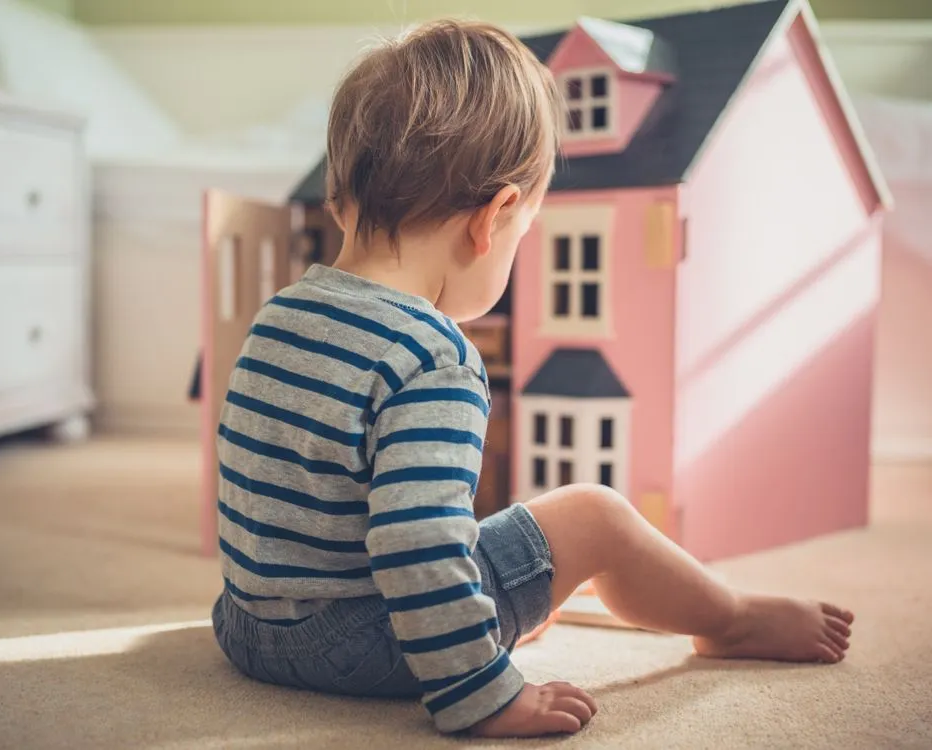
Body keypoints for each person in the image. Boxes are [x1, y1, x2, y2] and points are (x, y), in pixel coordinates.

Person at [210, 19, 854, 738]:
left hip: (246, 628)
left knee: (475, 525)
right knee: (593, 515)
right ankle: (730, 619)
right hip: (362, 647)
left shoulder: (280, 315)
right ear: (495, 219)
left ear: (339, 199)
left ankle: (491, 608)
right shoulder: (433, 357)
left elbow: (259, 489)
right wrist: (485, 693)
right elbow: (415, 543)